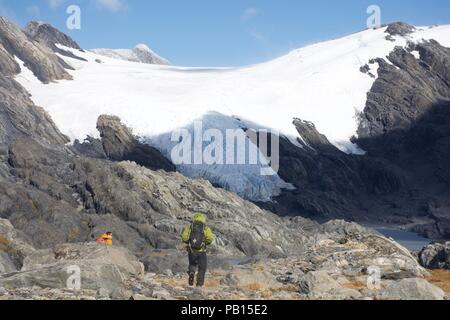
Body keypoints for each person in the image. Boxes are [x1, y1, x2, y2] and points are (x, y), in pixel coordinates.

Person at [181, 213, 214, 287]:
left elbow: (184, 238)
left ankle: (192, 272)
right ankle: (199, 284)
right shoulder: (205, 227)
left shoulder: (190, 227)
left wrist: (188, 242)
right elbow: (210, 238)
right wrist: (205, 243)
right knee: (202, 268)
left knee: (192, 264)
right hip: (202, 250)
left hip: (192, 250)